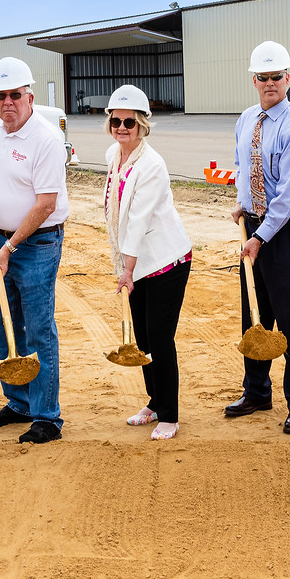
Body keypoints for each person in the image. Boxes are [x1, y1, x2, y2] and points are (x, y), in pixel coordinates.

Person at [228, 39, 290, 434]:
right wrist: (240, 203)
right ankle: (257, 391)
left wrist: (260, 237)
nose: (270, 83)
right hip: (255, 227)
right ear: (254, 80)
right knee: (255, 314)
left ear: (288, 77)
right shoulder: (247, 119)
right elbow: (240, 164)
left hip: (286, 232)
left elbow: (287, 197)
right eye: (263, 77)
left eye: (276, 77)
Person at [0, 57, 68, 444]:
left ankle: (47, 416)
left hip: (36, 243)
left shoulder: (46, 139)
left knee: (37, 328)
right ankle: (18, 404)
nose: (7, 103)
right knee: (2, 323)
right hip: (0, 240)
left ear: (29, 96)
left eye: (15, 95)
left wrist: (10, 247)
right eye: (0, 96)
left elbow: (46, 203)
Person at [102, 84, 193, 440]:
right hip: (136, 262)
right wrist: (125, 266)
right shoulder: (114, 154)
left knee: (159, 335)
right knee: (143, 338)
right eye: (116, 121)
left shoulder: (152, 165)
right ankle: (155, 402)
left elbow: (138, 219)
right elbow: (114, 211)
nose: (122, 128)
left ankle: (169, 415)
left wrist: (126, 270)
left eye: (130, 122)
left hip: (166, 261)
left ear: (142, 125)